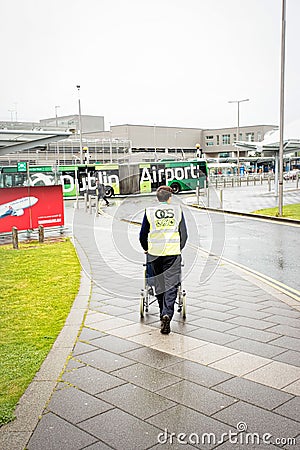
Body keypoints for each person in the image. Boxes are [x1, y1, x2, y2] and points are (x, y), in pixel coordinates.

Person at [139, 185, 188, 334]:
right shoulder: (177, 211)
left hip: (154, 254)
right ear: (169, 197)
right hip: (172, 253)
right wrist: (178, 248)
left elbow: (142, 234)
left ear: (157, 198)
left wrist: (146, 248)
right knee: (171, 285)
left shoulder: (149, 211)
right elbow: (184, 234)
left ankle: (163, 313)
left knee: (159, 285)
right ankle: (167, 313)